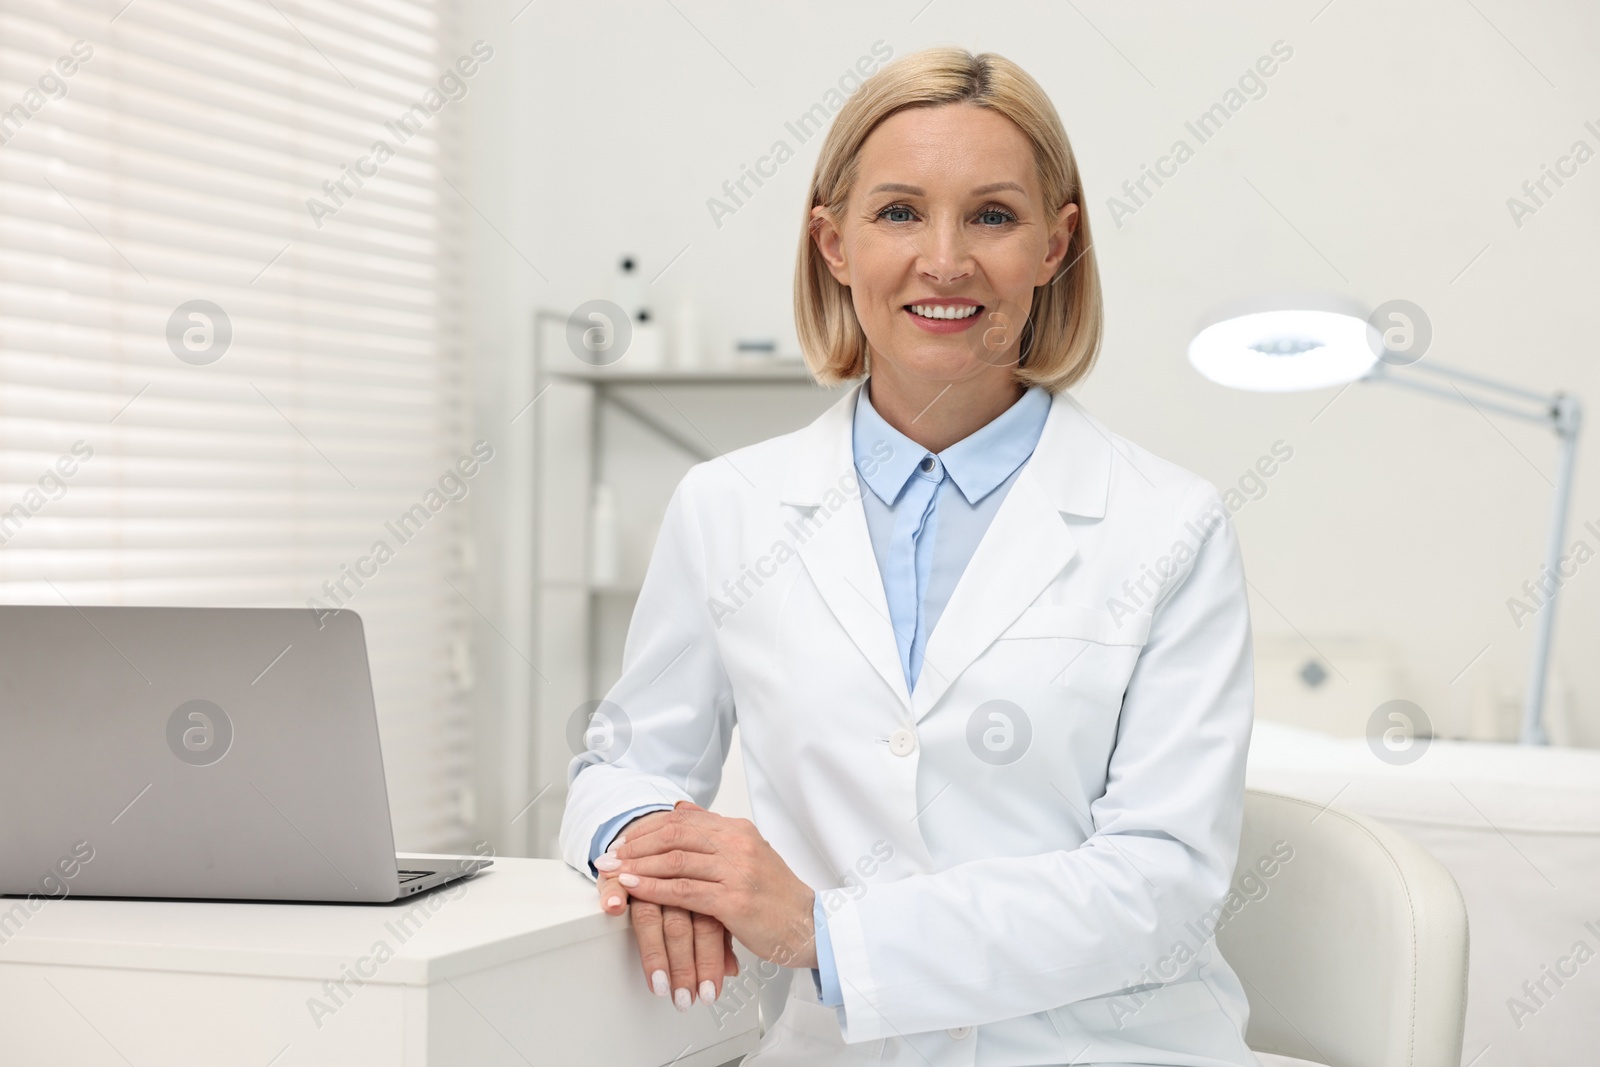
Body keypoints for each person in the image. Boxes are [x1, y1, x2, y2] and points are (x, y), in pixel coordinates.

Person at [559, 45, 1261, 1067]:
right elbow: (623, 762)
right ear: (832, 242)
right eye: (897, 212)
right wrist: (649, 846)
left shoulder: (1168, 524)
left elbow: (1163, 884)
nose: (944, 260)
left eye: (992, 215)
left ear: (1054, 245)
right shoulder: (728, 508)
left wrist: (823, 931)